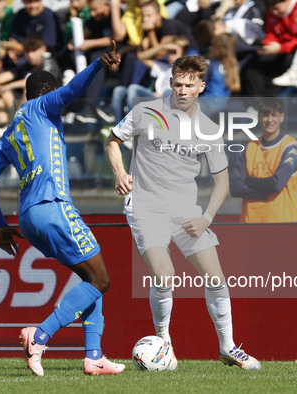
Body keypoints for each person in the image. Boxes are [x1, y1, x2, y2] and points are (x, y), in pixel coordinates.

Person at [104, 54, 261, 371]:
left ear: (202, 87)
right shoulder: (146, 111)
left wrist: (206, 218)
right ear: (171, 84)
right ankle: (165, 344)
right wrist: (120, 173)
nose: (182, 90)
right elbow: (112, 140)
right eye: (177, 84)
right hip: (145, 207)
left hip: (186, 211)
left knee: (216, 278)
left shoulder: (208, 128)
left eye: (189, 85)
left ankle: (228, 347)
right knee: (165, 275)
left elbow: (222, 182)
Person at [0, 44, 124, 377]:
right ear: (49, 93)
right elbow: (73, 91)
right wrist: (98, 64)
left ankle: (94, 356)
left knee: (89, 278)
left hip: (28, 217)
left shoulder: (10, 132)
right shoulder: (41, 108)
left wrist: (0, 225)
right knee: (101, 279)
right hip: (53, 206)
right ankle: (40, 335)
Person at [230, 98, 297, 223]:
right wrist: (266, 192)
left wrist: (248, 181)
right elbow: (235, 188)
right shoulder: (250, 148)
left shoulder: (290, 146)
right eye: (265, 115)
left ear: (282, 117)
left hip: (284, 222)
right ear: (259, 117)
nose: (270, 120)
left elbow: (276, 184)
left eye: (274, 115)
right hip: (251, 222)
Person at [240, 0, 297, 95]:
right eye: (271, 9)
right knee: (252, 66)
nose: (274, 12)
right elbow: (271, 32)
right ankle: (258, 104)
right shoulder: (272, 11)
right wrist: (266, 45)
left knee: (287, 62)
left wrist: (282, 48)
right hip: (277, 48)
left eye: (276, 8)